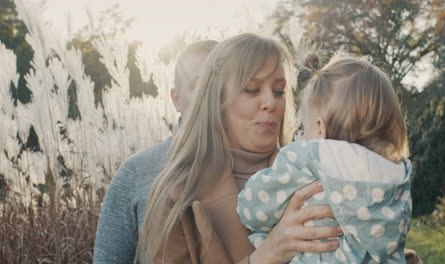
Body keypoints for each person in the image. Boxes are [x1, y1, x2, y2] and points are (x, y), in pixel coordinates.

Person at [136, 33, 345, 264]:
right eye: (251, 89)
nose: (271, 102)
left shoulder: (319, 172)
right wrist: (267, 255)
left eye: (279, 91)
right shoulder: (175, 196)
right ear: (217, 99)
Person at [238, 52, 416, 263]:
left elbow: (255, 209)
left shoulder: (308, 158)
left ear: (320, 128)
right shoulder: (397, 176)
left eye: (305, 127)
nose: (302, 136)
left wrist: (247, 200)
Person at [93, 40, 219, 264]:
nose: (209, 95)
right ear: (176, 100)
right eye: (198, 85)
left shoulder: (263, 166)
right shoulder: (136, 174)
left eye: (219, 83)